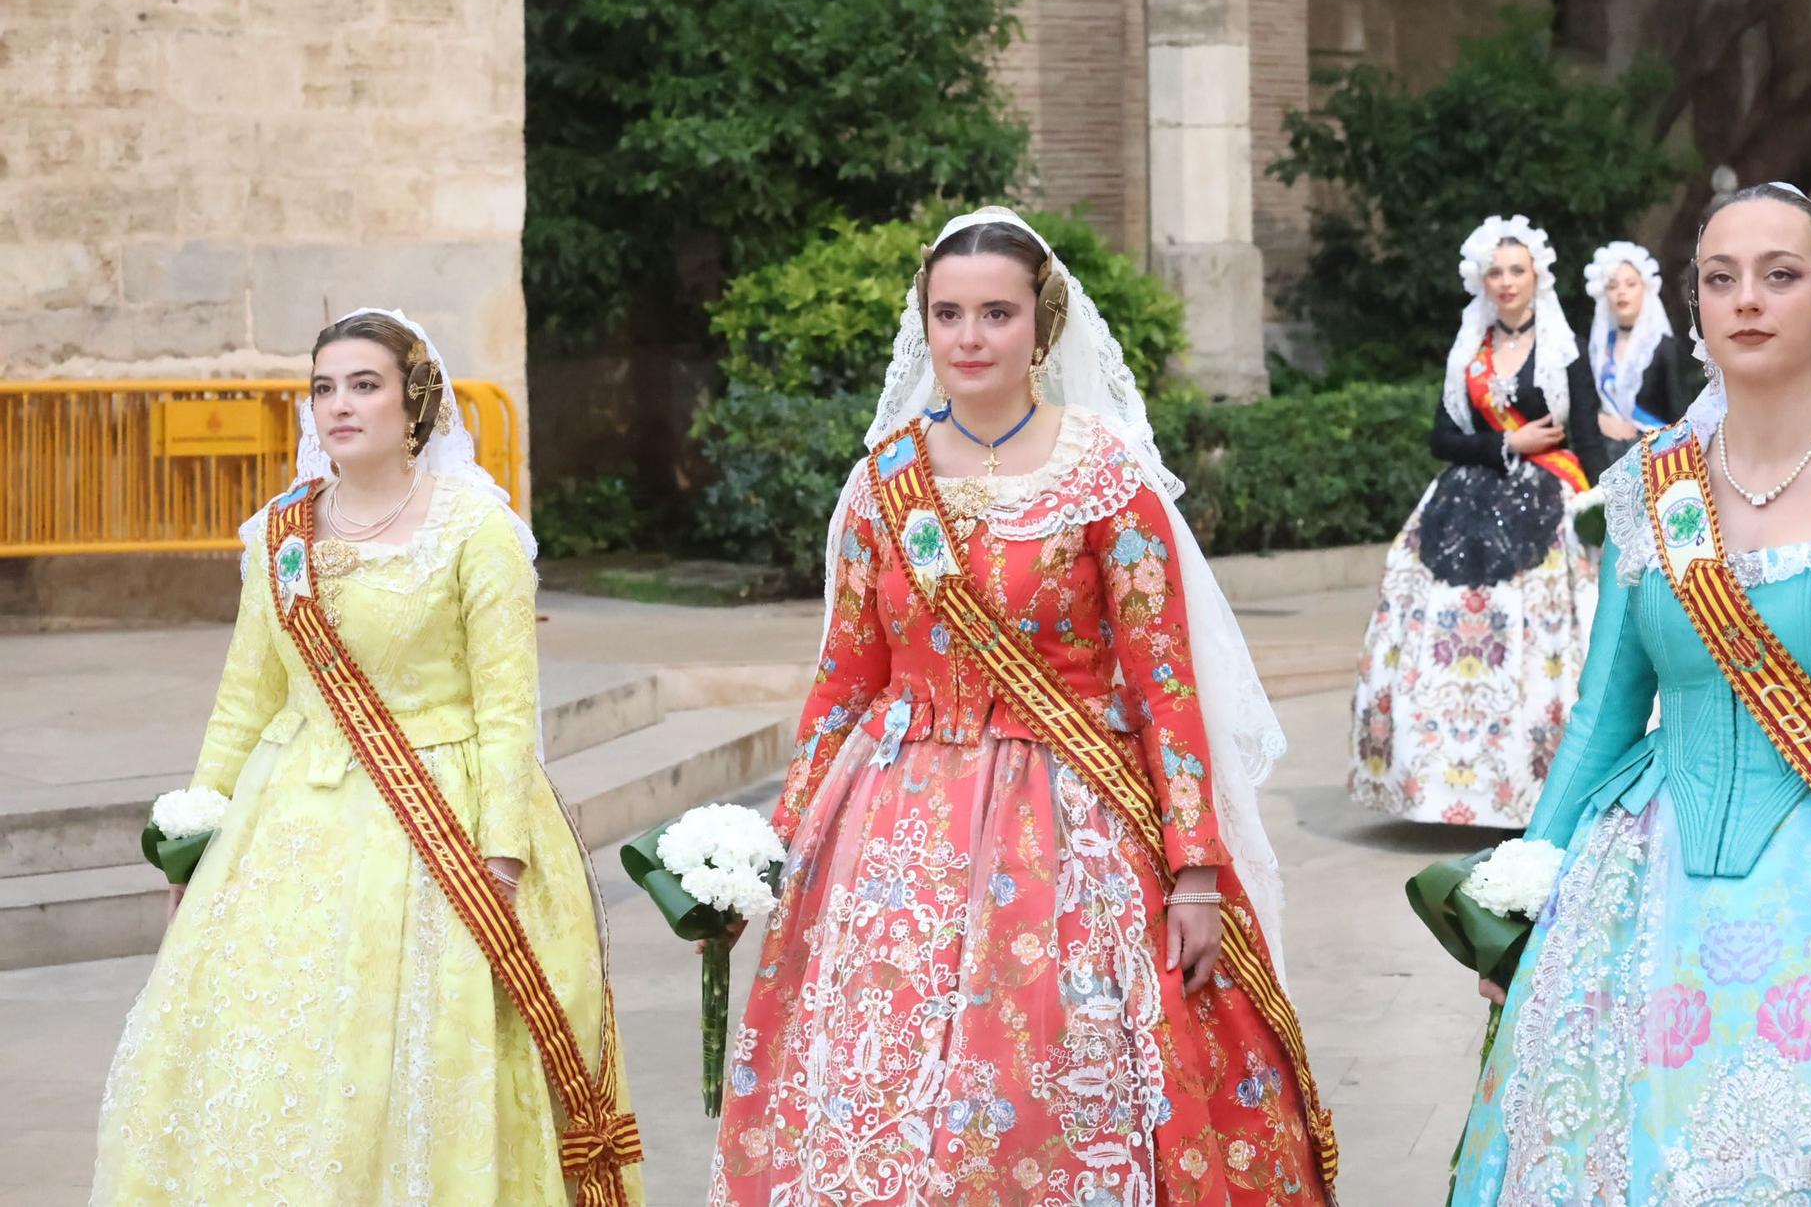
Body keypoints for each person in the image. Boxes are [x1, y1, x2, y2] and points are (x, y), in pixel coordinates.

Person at [705, 208, 1340, 1205]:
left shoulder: (1102, 479)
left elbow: (1163, 685)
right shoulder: (883, 484)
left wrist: (1196, 871)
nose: (967, 336)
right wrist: (765, 849)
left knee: (1045, 1077)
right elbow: (843, 683)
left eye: (994, 313)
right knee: (883, 1084)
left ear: (1038, 326)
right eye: (946, 313)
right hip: (891, 832)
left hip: (1071, 830)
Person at [1452, 184, 1811, 1204]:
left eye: (1779, 275)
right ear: (1695, 307)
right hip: (1648, 889)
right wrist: (1521, 904)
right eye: (1719, 278)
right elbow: (1604, 718)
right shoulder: (1644, 492)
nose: (1746, 299)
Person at [92, 309, 643, 1205]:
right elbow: (245, 697)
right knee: (276, 1055)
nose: (338, 406)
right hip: (292, 822)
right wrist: (200, 823)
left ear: (413, 400)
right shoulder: (280, 535)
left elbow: (508, 709)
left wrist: (500, 855)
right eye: (323, 387)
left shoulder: (475, 529)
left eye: (364, 384)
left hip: (441, 825)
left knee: (421, 1060)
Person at [1349, 215, 1610, 827]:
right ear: (1482, 281)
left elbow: (1590, 432)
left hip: (1550, 498)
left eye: (1517, 269)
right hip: (1467, 496)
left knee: (1548, 636)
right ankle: (1442, 782)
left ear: (1537, 276)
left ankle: (1540, 780)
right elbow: (1442, 437)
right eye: (1496, 271)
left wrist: (1605, 500)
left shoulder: (1562, 348)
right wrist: (1508, 444)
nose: (1506, 281)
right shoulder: (1469, 348)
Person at [1586, 240, 1684, 451]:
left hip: (1656, 455)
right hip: (1606, 453)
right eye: (1612, 286)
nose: (1621, 292)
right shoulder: (1598, 348)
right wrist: (1601, 420)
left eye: (1630, 284)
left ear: (1645, 290)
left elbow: (1680, 414)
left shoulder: (1663, 347)